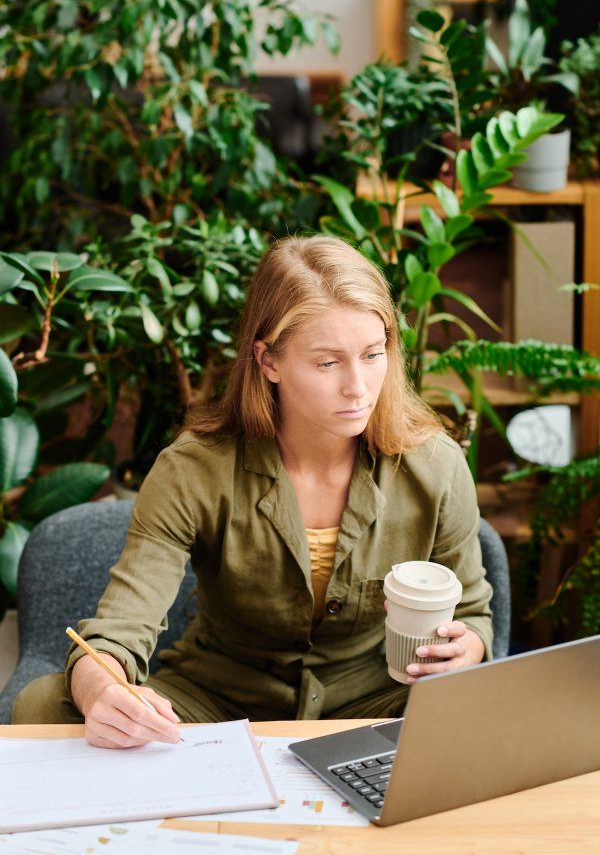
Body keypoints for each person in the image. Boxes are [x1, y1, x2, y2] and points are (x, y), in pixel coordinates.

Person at [13, 235, 492, 747]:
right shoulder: (193, 469)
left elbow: (472, 613)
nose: (359, 387)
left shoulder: (436, 464)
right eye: (328, 363)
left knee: (492, 708)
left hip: (374, 697)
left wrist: (468, 648)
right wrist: (99, 688)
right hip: (217, 702)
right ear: (268, 362)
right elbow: (122, 627)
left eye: (373, 354)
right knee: (44, 705)